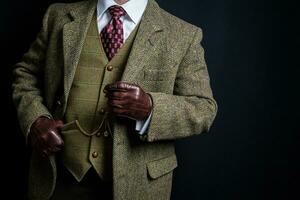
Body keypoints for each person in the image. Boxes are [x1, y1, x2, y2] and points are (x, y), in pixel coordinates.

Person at [12, 0, 218, 199]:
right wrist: (36, 120)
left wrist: (151, 108)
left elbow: (203, 108)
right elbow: (26, 74)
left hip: (138, 184)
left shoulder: (183, 34)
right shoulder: (58, 16)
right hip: (58, 178)